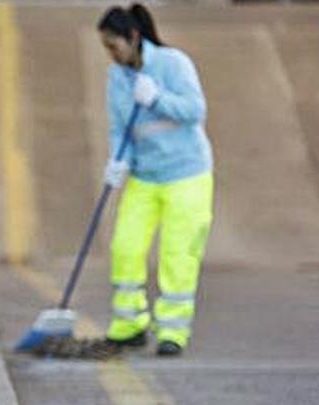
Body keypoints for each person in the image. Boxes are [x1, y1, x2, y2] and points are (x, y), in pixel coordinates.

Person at [97, 4, 214, 356]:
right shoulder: (117, 77)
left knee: (178, 254)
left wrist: (157, 98)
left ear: (133, 38)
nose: (111, 53)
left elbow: (195, 110)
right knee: (125, 246)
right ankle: (129, 324)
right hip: (145, 176)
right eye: (105, 47)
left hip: (187, 173)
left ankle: (172, 332)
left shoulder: (172, 63)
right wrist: (118, 161)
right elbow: (121, 128)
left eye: (113, 45)